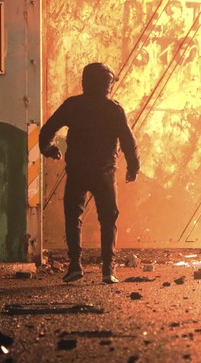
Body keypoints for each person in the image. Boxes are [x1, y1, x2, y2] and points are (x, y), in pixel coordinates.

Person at [39, 62, 140, 284]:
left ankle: (75, 265)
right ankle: (107, 270)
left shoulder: (73, 105)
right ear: (108, 85)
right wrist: (133, 167)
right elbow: (129, 141)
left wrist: (48, 149)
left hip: (77, 170)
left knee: (73, 216)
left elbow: (47, 130)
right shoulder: (114, 109)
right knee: (108, 219)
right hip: (104, 172)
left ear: (84, 82)